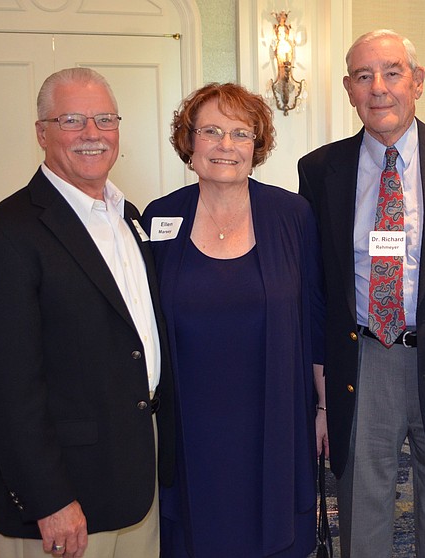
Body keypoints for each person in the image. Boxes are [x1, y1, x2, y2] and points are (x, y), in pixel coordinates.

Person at [298, 29, 425, 557]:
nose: (378, 87)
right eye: (363, 76)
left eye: (392, 72)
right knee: (361, 515)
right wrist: (319, 398)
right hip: (362, 360)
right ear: (348, 88)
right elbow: (316, 292)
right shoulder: (320, 170)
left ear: (418, 81)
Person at [0, 67, 174, 558]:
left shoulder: (129, 217)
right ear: (41, 133)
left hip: (135, 475)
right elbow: (4, 389)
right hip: (63, 498)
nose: (93, 133)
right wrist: (49, 499)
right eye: (72, 120)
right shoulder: (1, 236)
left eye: (105, 119)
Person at [140, 82, 326, 558]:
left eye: (241, 133)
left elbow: (315, 319)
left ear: (256, 146)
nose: (226, 145)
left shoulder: (292, 215)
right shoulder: (159, 218)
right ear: (189, 141)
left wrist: (324, 409)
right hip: (189, 417)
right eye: (211, 131)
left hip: (275, 411)